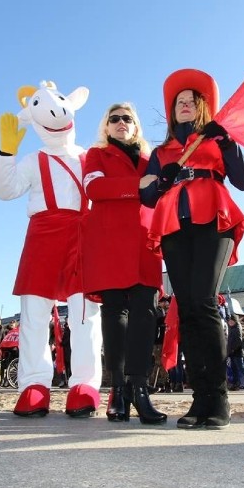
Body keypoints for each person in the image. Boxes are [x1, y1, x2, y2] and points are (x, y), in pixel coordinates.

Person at [140, 68, 244, 429]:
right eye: (179, 103)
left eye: (191, 101)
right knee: (186, 309)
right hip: (174, 227)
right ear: (172, 112)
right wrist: (163, 179)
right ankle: (199, 399)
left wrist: (229, 142)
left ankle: (218, 398)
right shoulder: (161, 152)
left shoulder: (217, 140)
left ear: (202, 108)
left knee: (204, 301)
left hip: (213, 221)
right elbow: (146, 194)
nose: (185, 106)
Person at [0, 81, 103, 418]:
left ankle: (84, 385)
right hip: (42, 234)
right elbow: (6, 190)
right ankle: (34, 385)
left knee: (85, 314)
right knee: (34, 314)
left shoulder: (89, 155)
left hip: (82, 234)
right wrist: (6, 153)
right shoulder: (32, 159)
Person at [81, 103, 165, 424]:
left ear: (135, 126)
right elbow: (94, 188)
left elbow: (159, 196)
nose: (120, 123)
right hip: (109, 242)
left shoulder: (151, 160)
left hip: (146, 242)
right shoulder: (97, 155)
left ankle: (139, 389)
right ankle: (118, 390)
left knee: (145, 314)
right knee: (115, 314)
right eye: (113, 119)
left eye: (126, 119)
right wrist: (137, 187)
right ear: (106, 126)